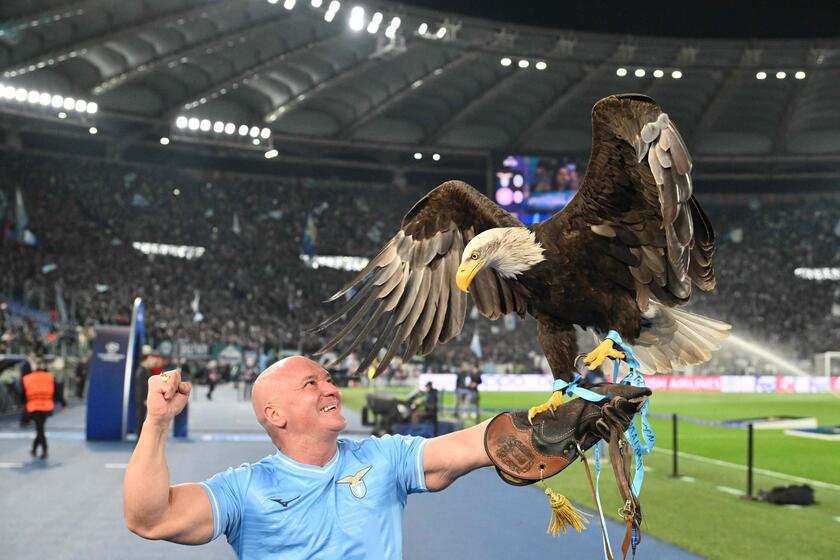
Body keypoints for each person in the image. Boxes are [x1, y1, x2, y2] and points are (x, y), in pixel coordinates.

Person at [124, 356, 492, 558]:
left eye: (328, 379)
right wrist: (156, 422)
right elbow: (150, 520)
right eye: (311, 384)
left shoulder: (385, 457)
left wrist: (537, 421)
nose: (332, 388)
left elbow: (473, 444)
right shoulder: (244, 489)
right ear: (275, 415)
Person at [21, 357, 66, 459]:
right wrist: (63, 403)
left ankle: (41, 450)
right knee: (40, 429)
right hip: (46, 407)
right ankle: (37, 450)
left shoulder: (28, 378)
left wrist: (25, 404)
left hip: (34, 407)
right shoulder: (49, 377)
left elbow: (23, 395)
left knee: (39, 429)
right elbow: (57, 391)